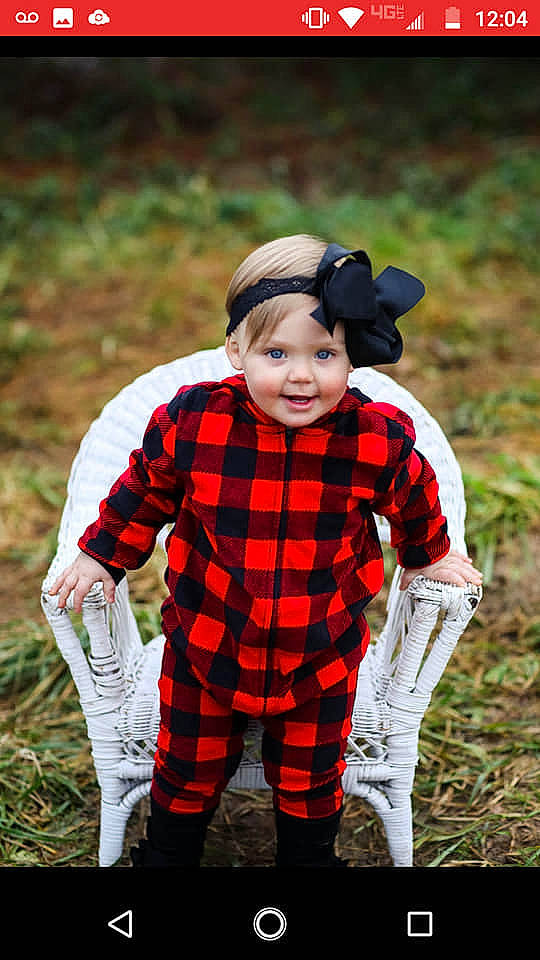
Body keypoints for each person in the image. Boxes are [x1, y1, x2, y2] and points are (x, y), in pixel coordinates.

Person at [49, 235, 482, 868]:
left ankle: (308, 857)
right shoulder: (194, 423)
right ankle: (169, 853)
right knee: (187, 766)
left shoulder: (374, 438)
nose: (301, 374)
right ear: (236, 351)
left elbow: (414, 496)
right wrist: (102, 555)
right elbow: (144, 489)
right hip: (208, 642)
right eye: (276, 352)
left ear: (351, 355)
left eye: (324, 353)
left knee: (311, 777)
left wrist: (428, 554)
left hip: (322, 653)